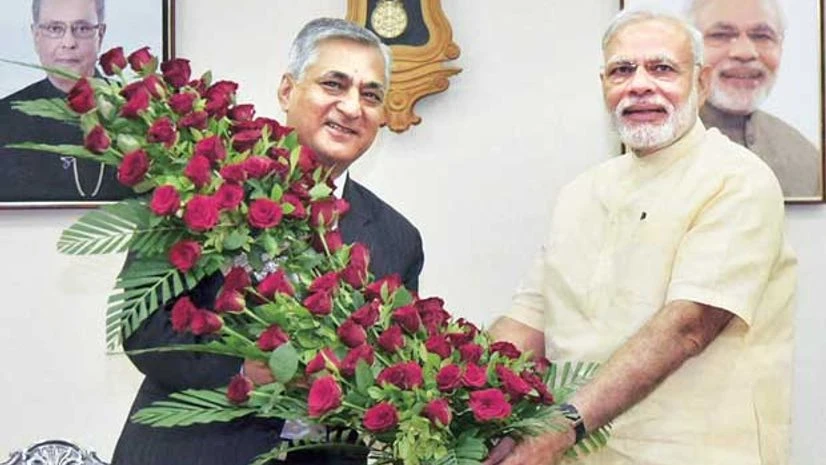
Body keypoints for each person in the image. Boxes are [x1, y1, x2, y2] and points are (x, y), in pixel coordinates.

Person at [484, 9, 795, 465]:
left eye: (663, 68)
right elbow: (527, 324)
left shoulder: (738, 179)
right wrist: (455, 394)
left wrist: (563, 426)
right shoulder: (580, 193)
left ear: (701, 83)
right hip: (582, 454)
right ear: (604, 85)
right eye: (622, 70)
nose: (640, 84)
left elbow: (687, 328)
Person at [111, 18, 424, 465]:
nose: (352, 107)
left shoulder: (398, 238)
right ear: (286, 91)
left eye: (370, 95)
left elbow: (391, 372)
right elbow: (142, 326)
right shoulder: (207, 186)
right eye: (334, 84)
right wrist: (243, 372)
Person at [0, 0, 131, 203]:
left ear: (101, 34)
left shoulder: (139, 110)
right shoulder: (5, 117)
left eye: (82, 28)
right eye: (55, 28)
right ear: (36, 37)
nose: (69, 42)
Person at [689, 0, 821, 198]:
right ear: (689, 49)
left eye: (761, 36)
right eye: (721, 35)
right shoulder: (655, 146)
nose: (744, 52)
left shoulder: (806, 158)